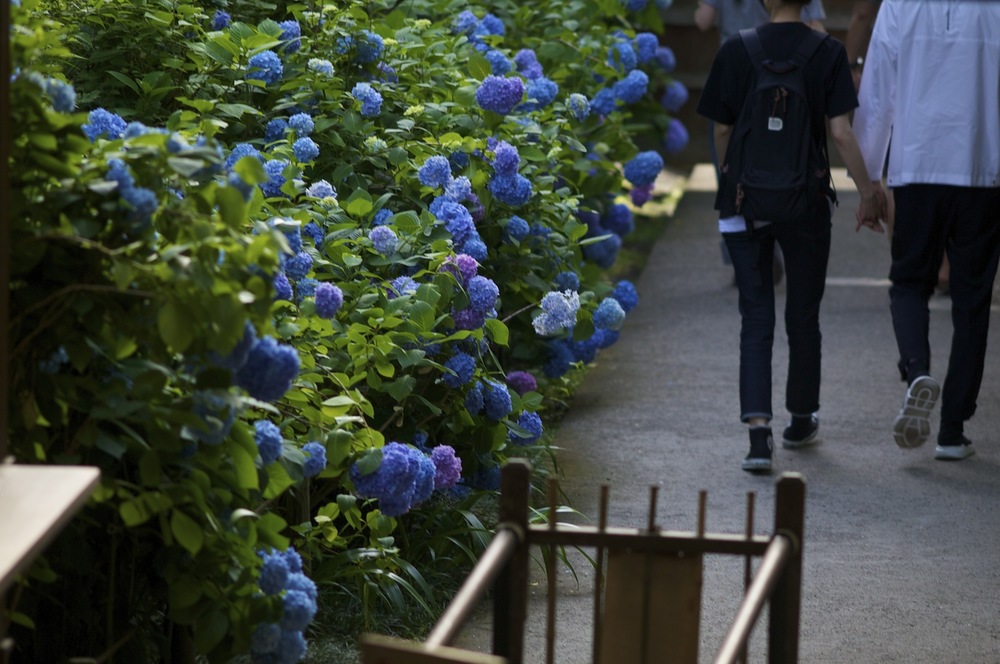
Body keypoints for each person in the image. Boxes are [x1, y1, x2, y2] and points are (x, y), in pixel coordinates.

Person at [697, 0, 886, 472]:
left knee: (756, 315)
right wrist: (868, 193)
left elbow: (722, 126)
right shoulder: (828, 52)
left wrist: (728, 171)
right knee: (804, 315)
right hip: (806, 202)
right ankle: (801, 418)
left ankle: (758, 437)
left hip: (745, 202)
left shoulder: (737, 49)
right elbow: (840, 133)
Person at [853, 0, 1000, 461]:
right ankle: (952, 430)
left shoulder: (900, 4)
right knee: (973, 298)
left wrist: (869, 175)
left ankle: (918, 371)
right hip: (982, 164)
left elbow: (878, 90)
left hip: (917, 162)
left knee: (908, 282)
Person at [694, 0, 827, 287]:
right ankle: (778, 243)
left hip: (733, 76)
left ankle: (744, 254)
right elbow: (814, 26)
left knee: (732, 175)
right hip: (782, 81)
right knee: (781, 165)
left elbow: (703, 20)